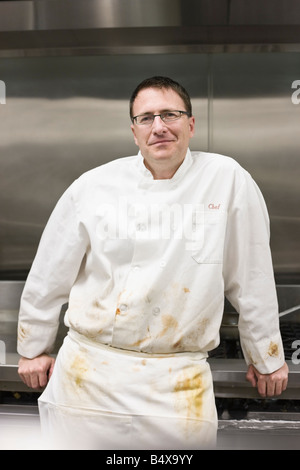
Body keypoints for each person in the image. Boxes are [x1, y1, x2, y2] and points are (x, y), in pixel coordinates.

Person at [17, 76, 288, 450]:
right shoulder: (93, 186)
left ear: (191, 125)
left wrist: (267, 355)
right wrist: (33, 347)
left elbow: (251, 276)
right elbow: (50, 272)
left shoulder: (227, 180)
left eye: (170, 115)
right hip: (89, 376)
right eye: (146, 118)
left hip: (177, 383)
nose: (158, 127)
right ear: (134, 132)